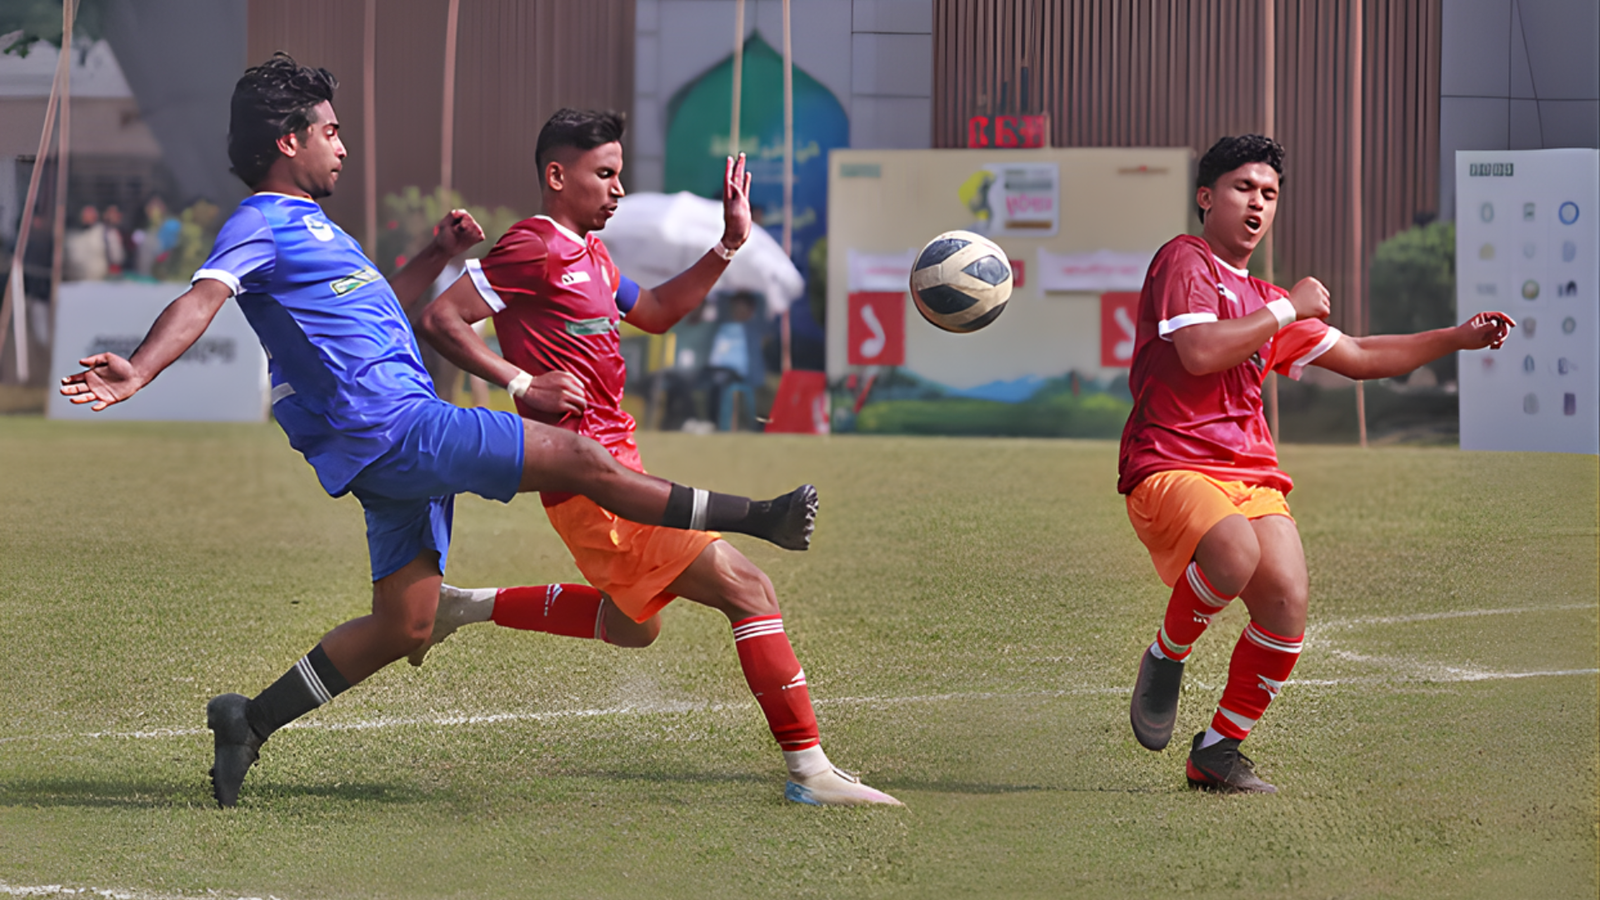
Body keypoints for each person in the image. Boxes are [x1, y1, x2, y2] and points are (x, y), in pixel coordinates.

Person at [59, 55, 817, 809]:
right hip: (397, 428)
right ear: (289, 141)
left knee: (407, 624)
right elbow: (204, 297)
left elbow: (384, 311)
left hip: (386, 447)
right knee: (581, 457)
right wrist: (140, 368)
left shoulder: (317, 229)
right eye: (330, 131)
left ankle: (248, 722)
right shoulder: (259, 221)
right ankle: (760, 517)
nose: (342, 145)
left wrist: (437, 254)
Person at [416, 108, 901, 807]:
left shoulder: (592, 254)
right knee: (749, 588)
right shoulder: (534, 245)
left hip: (621, 468)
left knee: (632, 625)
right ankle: (811, 771)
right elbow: (441, 317)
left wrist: (729, 244)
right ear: (557, 175)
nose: (618, 188)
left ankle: (463, 606)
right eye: (604, 173)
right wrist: (520, 383)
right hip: (590, 482)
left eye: (620, 174)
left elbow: (656, 311)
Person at [1121, 134, 1514, 794]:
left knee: (1286, 606)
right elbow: (1198, 350)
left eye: (1270, 194)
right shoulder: (1185, 259)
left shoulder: (1268, 298)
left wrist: (1457, 338)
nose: (1258, 203)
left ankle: (1217, 752)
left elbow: (1359, 355)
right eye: (1244, 188)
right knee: (1233, 551)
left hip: (1251, 473)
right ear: (1206, 197)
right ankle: (1167, 655)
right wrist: (1286, 308)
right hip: (1170, 461)